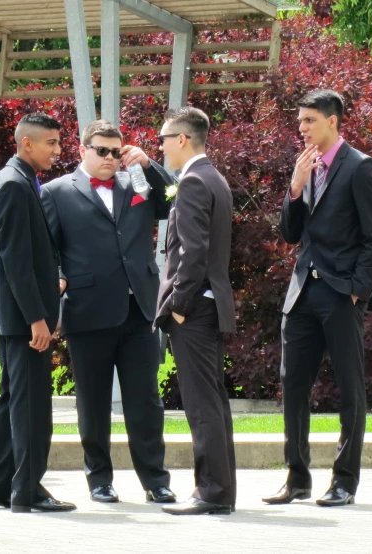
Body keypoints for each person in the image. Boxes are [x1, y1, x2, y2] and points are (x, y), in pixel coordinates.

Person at [263, 89, 372, 508]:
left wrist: (357, 290)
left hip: (340, 294)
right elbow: (291, 234)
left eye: (308, 121)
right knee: (293, 385)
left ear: (332, 121)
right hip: (302, 294)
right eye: (299, 121)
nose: (301, 129)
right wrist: (295, 189)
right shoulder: (305, 166)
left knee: (350, 390)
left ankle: (344, 482)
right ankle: (297, 478)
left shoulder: (360, 168)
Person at [41, 120, 175, 505]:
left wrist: (148, 164)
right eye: (102, 151)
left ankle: (156, 480)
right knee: (94, 401)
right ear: (83, 149)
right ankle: (99, 479)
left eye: (116, 152)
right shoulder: (56, 192)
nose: (110, 158)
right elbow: (48, 249)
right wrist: (59, 281)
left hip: (139, 309)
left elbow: (171, 199)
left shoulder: (137, 183)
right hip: (88, 308)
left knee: (146, 400)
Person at [0, 113, 76, 514]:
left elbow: (24, 256)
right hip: (24, 320)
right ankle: (28, 492)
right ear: (26, 144)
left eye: (58, 142)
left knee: (10, 404)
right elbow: (15, 260)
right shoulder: (15, 186)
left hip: (15, 316)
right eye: (51, 143)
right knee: (32, 407)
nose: (58, 150)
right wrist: (38, 317)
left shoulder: (14, 181)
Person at [154, 107, 237, 516]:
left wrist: (179, 307)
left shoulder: (191, 182)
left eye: (164, 139)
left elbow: (193, 252)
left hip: (196, 309)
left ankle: (210, 492)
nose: (161, 147)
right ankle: (220, 491)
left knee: (202, 405)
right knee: (214, 403)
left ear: (182, 139)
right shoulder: (214, 178)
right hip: (212, 304)